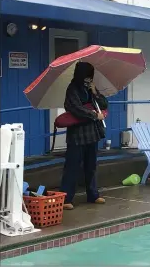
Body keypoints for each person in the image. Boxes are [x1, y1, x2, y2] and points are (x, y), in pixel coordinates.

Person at [60, 61, 108, 210]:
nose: (88, 79)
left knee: (91, 166)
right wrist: (94, 115)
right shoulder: (72, 89)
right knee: (72, 166)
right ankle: (66, 197)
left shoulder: (90, 88)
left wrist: (96, 92)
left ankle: (93, 194)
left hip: (92, 133)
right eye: (86, 76)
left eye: (90, 76)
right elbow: (75, 108)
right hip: (77, 134)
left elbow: (104, 104)